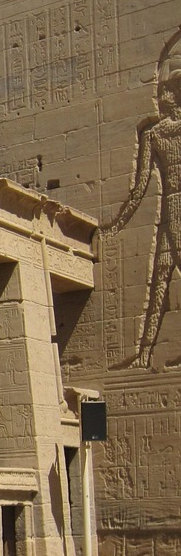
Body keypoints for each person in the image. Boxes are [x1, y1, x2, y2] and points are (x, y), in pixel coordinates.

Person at [105, 35, 181, 368]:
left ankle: (146, 352)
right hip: (172, 210)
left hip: (171, 210)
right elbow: (138, 189)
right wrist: (116, 225)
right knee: (160, 277)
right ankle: (145, 352)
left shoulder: (155, 134)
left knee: (161, 278)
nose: (162, 98)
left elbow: (139, 190)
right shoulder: (155, 134)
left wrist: (117, 223)